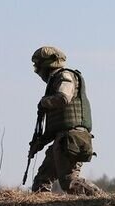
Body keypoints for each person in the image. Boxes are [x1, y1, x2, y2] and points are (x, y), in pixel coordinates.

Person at [29, 46, 102, 196]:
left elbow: (63, 97)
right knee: (41, 182)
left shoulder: (65, 77)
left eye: (38, 67)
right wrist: (40, 142)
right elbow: (58, 124)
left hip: (71, 140)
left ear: (46, 66)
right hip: (62, 139)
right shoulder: (54, 82)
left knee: (69, 182)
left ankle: (102, 200)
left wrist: (45, 102)